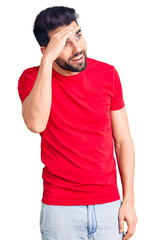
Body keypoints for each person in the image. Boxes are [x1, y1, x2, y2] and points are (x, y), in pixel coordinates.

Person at [17, 6, 138, 240]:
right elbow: (36, 123)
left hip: (108, 206)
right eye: (64, 43)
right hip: (60, 209)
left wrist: (129, 201)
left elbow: (123, 142)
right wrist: (47, 62)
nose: (77, 48)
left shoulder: (107, 74)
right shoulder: (31, 79)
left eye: (78, 35)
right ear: (46, 50)